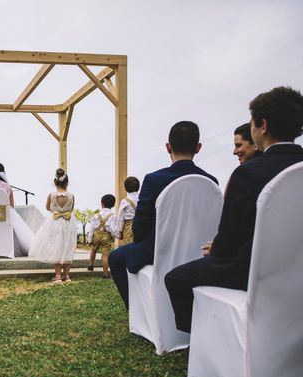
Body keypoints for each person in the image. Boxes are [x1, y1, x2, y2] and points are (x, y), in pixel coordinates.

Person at [165, 86, 303, 333]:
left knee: (176, 279)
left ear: (263, 125)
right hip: (295, 271)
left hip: (251, 270)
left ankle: (206, 341)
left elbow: (229, 240)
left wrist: (216, 247)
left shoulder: (248, 173)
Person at [108, 121, 218, 308]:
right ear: (198, 148)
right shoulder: (211, 181)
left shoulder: (154, 180)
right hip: (199, 250)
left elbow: (140, 226)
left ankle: (136, 309)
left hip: (157, 249)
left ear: (168, 147)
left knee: (115, 258)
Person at [29, 168, 77, 284]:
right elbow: (70, 209)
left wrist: (55, 210)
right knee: (67, 247)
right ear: (67, 183)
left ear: (55, 182)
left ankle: (58, 276)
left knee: (57, 246)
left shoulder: (52, 195)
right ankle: (67, 276)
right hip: (68, 223)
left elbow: (47, 208)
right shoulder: (71, 196)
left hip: (55, 222)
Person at [87, 194, 116, 278]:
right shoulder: (113, 216)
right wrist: (115, 235)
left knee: (94, 250)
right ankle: (105, 273)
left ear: (102, 204)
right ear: (113, 204)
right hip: (106, 235)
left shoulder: (96, 215)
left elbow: (92, 228)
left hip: (96, 234)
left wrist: (89, 239)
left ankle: (91, 265)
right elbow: (112, 229)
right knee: (105, 255)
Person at [112, 176, 139, 246]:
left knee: (129, 247)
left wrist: (119, 232)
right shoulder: (142, 198)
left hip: (129, 227)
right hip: (141, 224)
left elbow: (120, 217)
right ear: (138, 187)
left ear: (125, 188)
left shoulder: (125, 201)